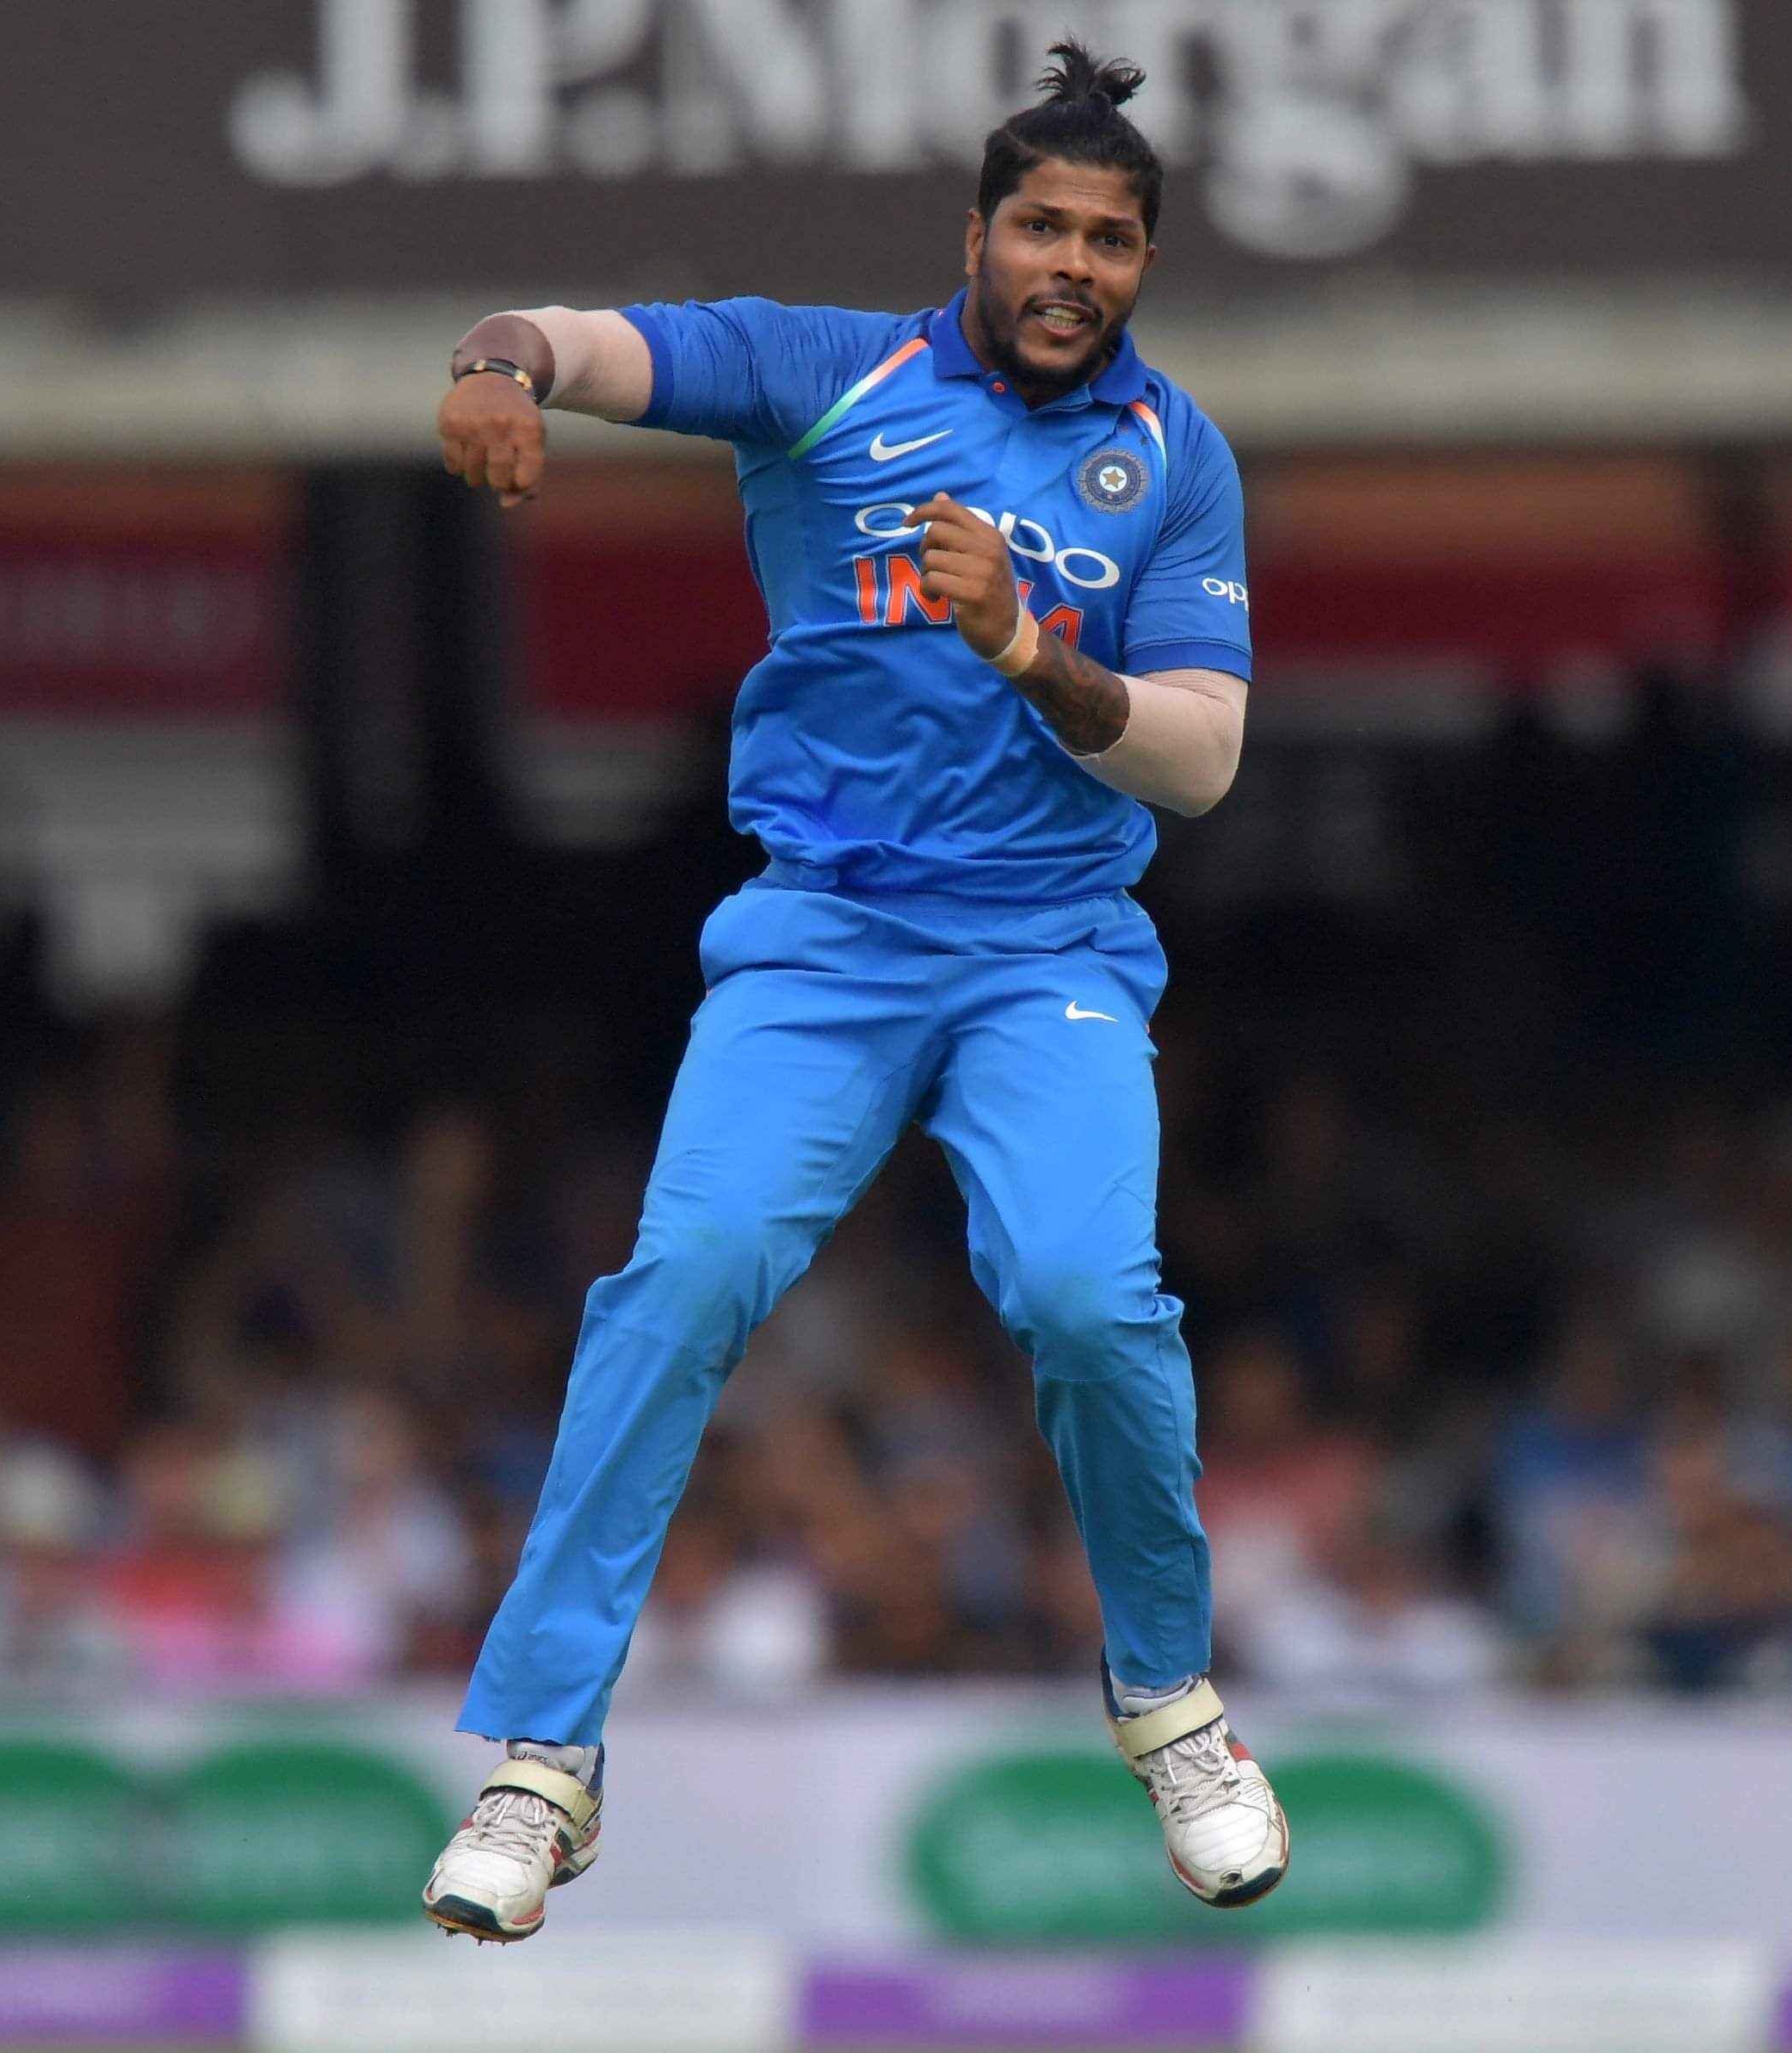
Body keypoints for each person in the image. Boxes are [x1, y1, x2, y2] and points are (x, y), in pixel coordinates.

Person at [416, 44, 1280, 1941]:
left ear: (1142, 263)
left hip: (1050, 948)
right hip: (824, 938)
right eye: (1041, 226)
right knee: (686, 1276)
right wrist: (497, 368)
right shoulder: (830, 370)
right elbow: (582, 339)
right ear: (974, 235)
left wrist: (1029, 647)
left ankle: (1172, 1707)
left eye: (1110, 239)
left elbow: (1203, 758)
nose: (1071, 265)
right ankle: (541, 1761)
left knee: (1087, 1295)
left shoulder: (1175, 457)